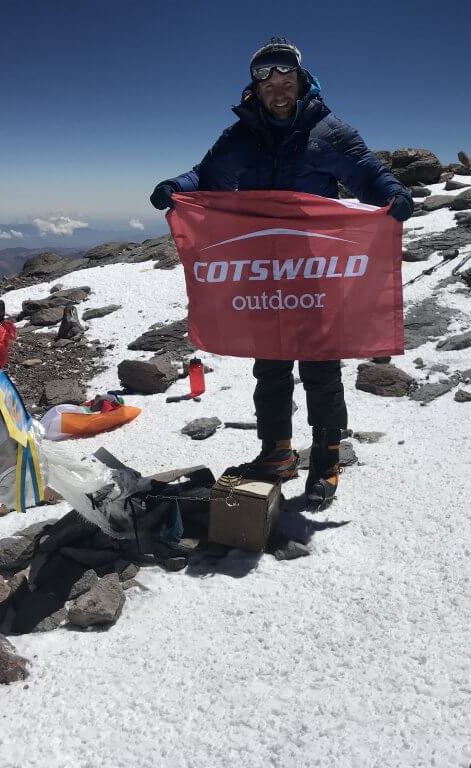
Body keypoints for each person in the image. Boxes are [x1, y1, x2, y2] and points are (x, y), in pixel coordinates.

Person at [150, 37, 412, 506]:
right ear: (256, 84)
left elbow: (366, 171)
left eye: (284, 73)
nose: (276, 83)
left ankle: (327, 458)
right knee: (269, 363)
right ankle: (277, 453)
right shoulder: (242, 135)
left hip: (314, 266)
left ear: (300, 77)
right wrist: (176, 187)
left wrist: (392, 193)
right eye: (264, 75)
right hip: (263, 270)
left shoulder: (328, 130)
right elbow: (206, 175)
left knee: (319, 364)